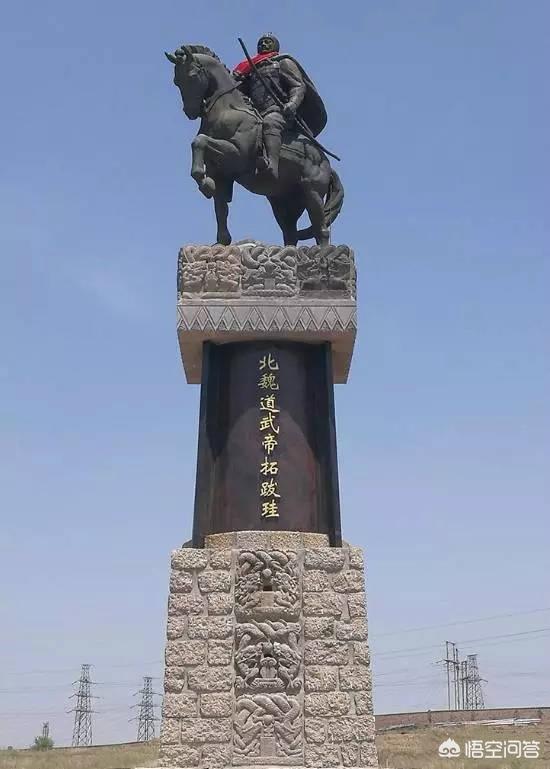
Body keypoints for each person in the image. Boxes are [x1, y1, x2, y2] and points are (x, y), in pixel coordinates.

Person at [233, 34, 326, 180]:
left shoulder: (283, 62)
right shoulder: (251, 69)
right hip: (256, 112)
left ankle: (271, 165)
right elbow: (240, 91)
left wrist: (292, 104)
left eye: (267, 42)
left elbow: (298, 86)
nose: (263, 45)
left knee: (270, 123)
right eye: (261, 43)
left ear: (275, 45)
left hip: (278, 111)